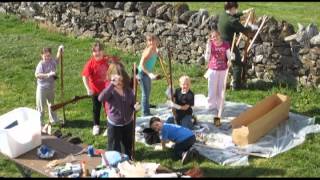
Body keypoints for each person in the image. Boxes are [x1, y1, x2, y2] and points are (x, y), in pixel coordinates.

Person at [98, 62, 140, 160]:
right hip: (114, 124)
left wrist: (135, 107)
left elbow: (132, 102)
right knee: (114, 147)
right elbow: (101, 98)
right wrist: (112, 85)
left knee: (127, 144)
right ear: (112, 77)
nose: (120, 82)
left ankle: (127, 160)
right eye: (118, 80)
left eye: (121, 79)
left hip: (128, 122)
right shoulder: (110, 89)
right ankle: (114, 163)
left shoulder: (128, 87)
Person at [82, 42, 119, 136]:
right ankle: (96, 125)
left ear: (103, 51)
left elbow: (117, 62)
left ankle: (109, 125)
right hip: (95, 91)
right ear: (92, 52)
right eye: (95, 51)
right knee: (96, 108)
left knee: (109, 108)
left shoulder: (107, 59)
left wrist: (114, 61)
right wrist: (88, 89)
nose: (97, 53)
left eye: (99, 51)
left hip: (107, 90)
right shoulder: (90, 63)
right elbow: (84, 76)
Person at [217, 1, 254, 90]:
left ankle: (220, 83)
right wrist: (251, 26)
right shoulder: (232, 21)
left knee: (223, 63)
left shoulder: (223, 15)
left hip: (220, 43)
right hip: (229, 45)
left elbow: (233, 15)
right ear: (231, 8)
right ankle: (236, 86)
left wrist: (243, 12)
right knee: (237, 63)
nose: (236, 10)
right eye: (235, 8)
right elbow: (245, 31)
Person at [204, 30, 234, 114]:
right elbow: (207, 58)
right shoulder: (210, 45)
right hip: (213, 70)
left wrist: (230, 60)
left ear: (220, 35)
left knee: (221, 89)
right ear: (211, 38)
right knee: (212, 88)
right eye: (213, 37)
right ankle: (211, 105)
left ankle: (220, 105)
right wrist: (208, 46)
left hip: (223, 70)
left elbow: (229, 56)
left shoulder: (225, 44)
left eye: (216, 36)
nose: (215, 38)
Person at [35, 45, 64, 134]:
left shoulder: (52, 61)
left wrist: (59, 50)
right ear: (42, 55)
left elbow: (58, 59)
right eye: (45, 56)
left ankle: (54, 120)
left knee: (51, 104)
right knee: (41, 107)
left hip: (51, 87)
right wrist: (48, 75)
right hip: (42, 88)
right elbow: (37, 75)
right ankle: (39, 123)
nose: (47, 57)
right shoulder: (41, 64)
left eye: (48, 55)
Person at [138, 33, 160, 116]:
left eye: (153, 40)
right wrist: (149, 74)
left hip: (146, 73)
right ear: (147, 42)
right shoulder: (149, 50)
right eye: (149, 40)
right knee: (145, 93)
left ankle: (146, 109)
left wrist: (158, 53)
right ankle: (145, 113)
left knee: (147, 92)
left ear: (156, 40)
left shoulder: (155, 49)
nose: (151, 42)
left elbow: (155, 55)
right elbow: (141, 65)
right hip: (142, 73)